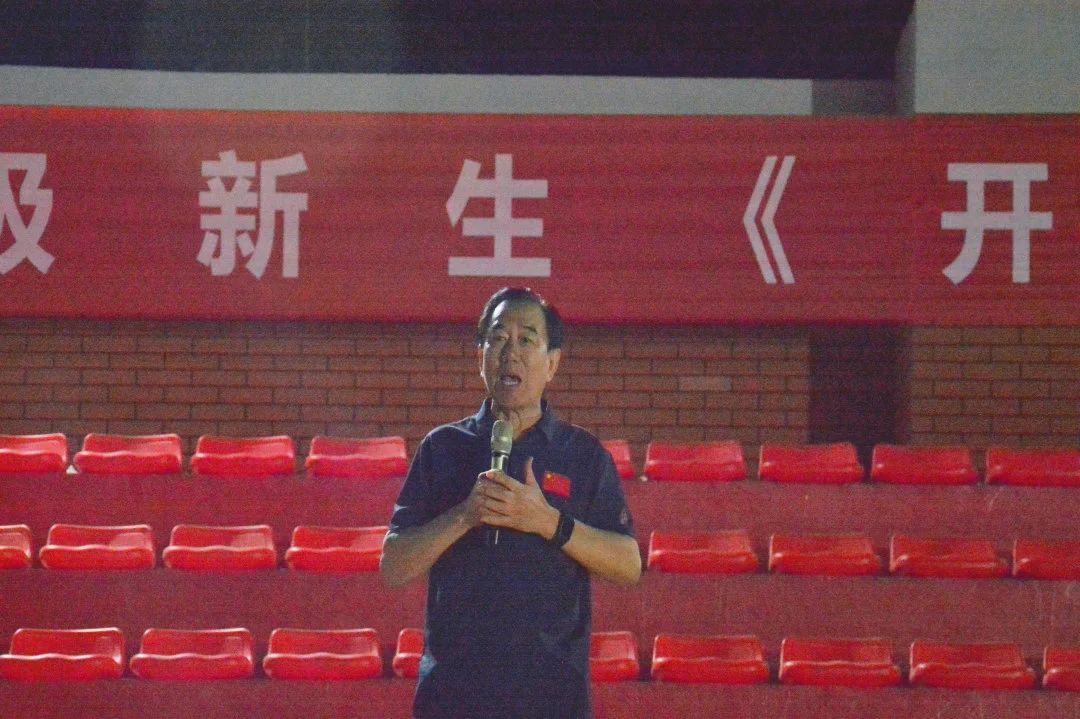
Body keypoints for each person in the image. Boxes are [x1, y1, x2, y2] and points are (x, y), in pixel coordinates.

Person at [381, 287, 641, 719]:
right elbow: (393, 566)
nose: (510, 353)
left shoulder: (584, 455)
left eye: (526, 340)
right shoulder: (443, 447)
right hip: (454, 696)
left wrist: (548, 522)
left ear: (552, 363)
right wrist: (465, 515)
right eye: (498, 338)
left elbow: (629, 565)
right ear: (479, 356)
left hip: (551, 698)